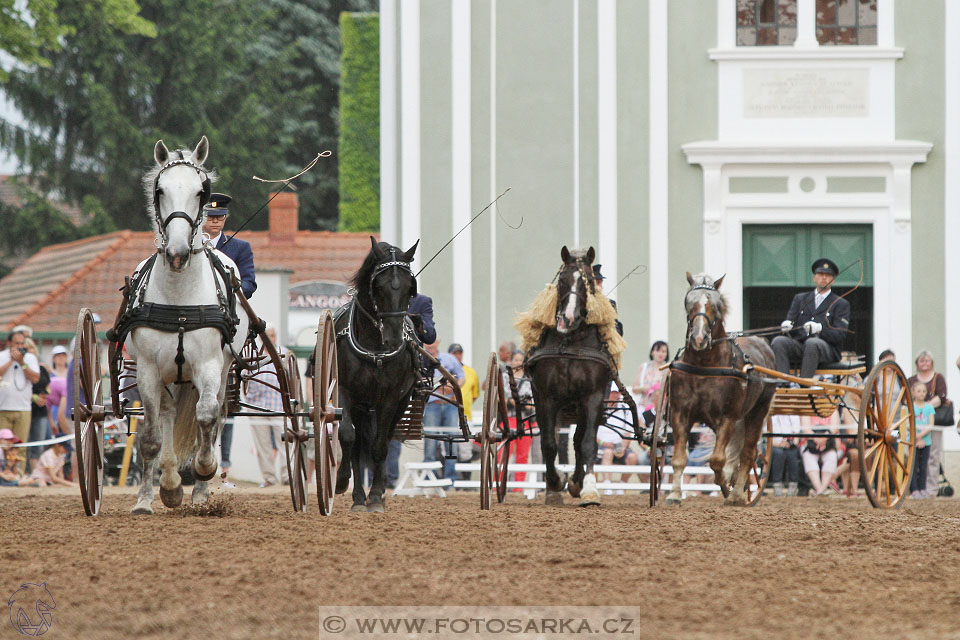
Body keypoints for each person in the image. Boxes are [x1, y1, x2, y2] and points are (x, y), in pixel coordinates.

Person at [771, 258, 850, 380]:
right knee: (779, 341)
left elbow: (840, 336)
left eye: (828, 275)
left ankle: (805, 382)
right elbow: (792, 325)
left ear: (832, 280)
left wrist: (820, 330)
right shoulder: (800, 299)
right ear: (814, 278)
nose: (824, 278)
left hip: (826, 349)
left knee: (812, 343)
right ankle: (783, 382)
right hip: (801, 345)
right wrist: (787, 327)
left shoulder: (840, 303)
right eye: (820, 274)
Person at [244, 325, 288, 487]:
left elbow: (291, 380)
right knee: (263, 446)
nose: (270, 338)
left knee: (285, 442)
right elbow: (244, 378)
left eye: (272, 335)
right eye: (266, 335)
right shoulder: (253, 355)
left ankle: (286, 476)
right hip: (257, 407)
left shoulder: (284, 353)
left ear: (275, 337)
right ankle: (269, 478)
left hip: (279, 407)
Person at [422, 339, 465, 482]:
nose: (430, 343)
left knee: (451, 442)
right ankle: (429, 479)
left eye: (432, 340)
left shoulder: (450, 359)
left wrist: (453, 388)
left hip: (450, 404)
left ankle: (450, 479)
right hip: (432, 405)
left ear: (438, 342)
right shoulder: (420, 359)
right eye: (427, 341)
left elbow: (461, 377)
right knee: (430, 443)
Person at [908, 350, 948, 497]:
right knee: (914, 458)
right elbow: (906, 399)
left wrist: (925, 407)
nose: (924, 363)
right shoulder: (911, 380)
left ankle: (931, 489)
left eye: (927, 361)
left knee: (933, 456)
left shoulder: (938, 378)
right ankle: (914, 489)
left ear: (932, 363)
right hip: (914, 425)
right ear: (917, 363)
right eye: (921, 361)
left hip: (933, 421)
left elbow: (942, 397)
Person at [0, 330, 41, 472]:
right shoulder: (2, 356)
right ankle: (3, 474)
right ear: (9, 343)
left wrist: (22, 362)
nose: (19, 346)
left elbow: (35, 378)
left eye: (22, 343)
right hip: (3, 407)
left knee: (21, 445)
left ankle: (19, 474)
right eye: (16, 343)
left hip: (23, 407)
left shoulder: (30, 358)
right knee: (3, 445)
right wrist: (11, 360)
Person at [203, 193, 257, 299]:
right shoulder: (189, 247)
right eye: (210, 217)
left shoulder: (240, 247)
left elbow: (249, 285)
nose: (215, 221)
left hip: (228, 308)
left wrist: (230, 289)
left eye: (220, 216)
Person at [909, 381, 935, 499]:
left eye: (924, 391)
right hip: (912, 441)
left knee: (924, 466)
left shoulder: (929, 407)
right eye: (919, 391)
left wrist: (921, 436)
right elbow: (908, 424)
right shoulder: (910, 407)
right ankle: (914, 489)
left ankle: (923, 489)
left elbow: (931, 424)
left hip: (926, 441)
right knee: (913, 465)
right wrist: (916, 437)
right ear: (913, 393)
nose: (922, 394)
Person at [633, 341, 669, 408]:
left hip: (661, 408)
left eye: (663, 351)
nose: (660, 354)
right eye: (657, 350)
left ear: (666, 354)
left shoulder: (668, 370)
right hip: (644, 406)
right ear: (652, 352)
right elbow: (634, 389)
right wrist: (645, 389)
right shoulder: (644, 367)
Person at [592, 264, 623, 336]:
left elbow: (617, 328)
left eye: (600, 282)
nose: (600, 286)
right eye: (597, 282)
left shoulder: (610, 304)